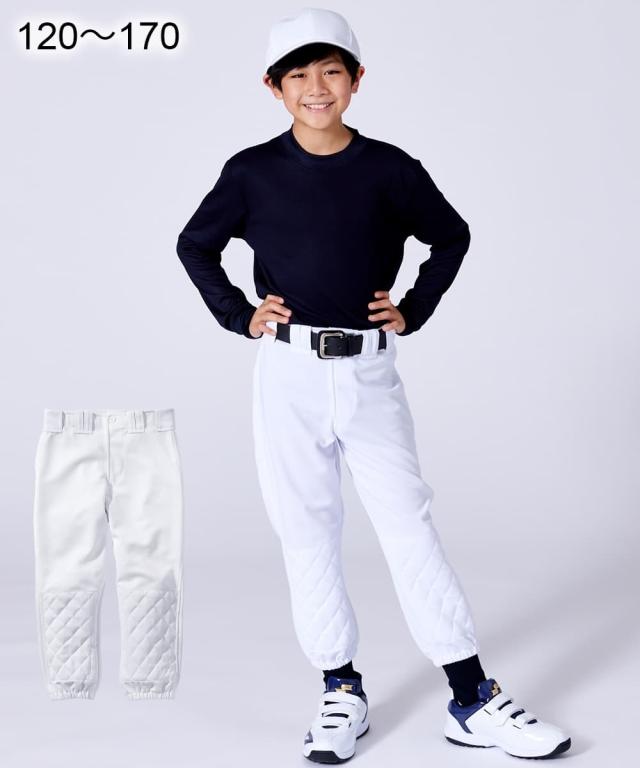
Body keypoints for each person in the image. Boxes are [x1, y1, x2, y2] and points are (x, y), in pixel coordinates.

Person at [176, 7, 571, 763]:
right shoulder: (251, 173)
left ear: (356, 80)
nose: (316, 88)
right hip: (288, 373)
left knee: (406, 524)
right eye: (298, 75)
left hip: (368, 373)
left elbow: (451, 235)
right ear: (273, 88)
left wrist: (413, 307)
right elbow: (195, 244)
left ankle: (471, 697)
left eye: (331, 71)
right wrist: (239, 314)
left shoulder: (390, 169)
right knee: (306, 527)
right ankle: (340, 691)